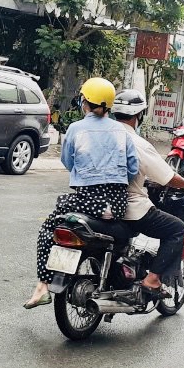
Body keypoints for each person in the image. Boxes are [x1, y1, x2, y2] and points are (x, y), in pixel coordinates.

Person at [24, 78, 139, 309]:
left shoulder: (76, 129)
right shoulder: (122, 130)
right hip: (117, 205)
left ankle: (42, 286)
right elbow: (133, 168)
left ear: (84, 102)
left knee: (49, 226)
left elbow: (68, 162)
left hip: (88, 201)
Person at [112, 89, 184, 294]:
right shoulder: (136, 142)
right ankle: (152, 280)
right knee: (177, 229)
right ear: (140, 115)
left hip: (94, 204)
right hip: (129, 207)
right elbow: (167, 177)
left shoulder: (101, 136)